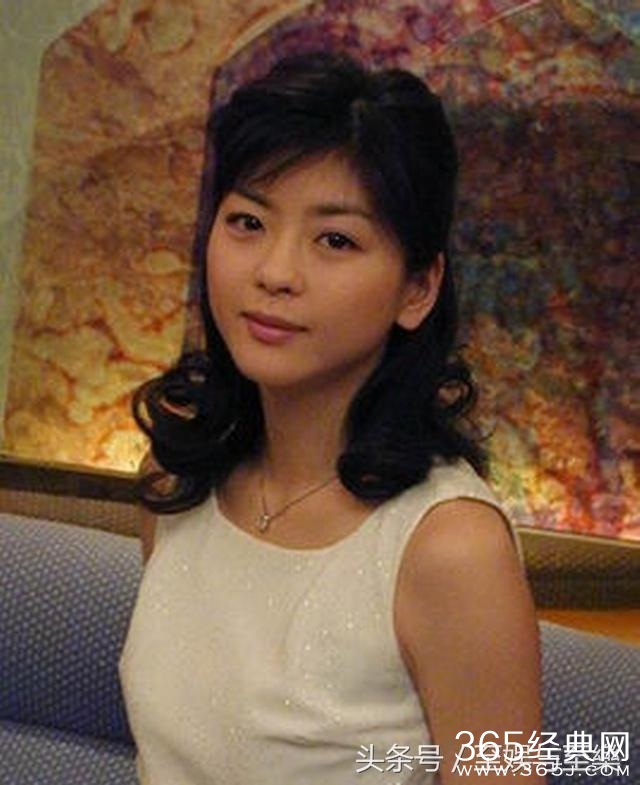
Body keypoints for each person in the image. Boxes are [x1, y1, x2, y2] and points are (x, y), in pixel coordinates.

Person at [119, 51, 545, 784]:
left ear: (417, 288)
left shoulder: (450, 549)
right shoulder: (177, 476)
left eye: (336, 240)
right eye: (248, 221)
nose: (274, 272)